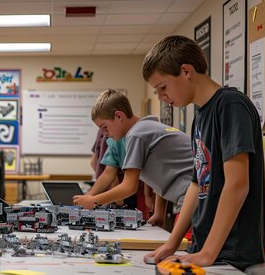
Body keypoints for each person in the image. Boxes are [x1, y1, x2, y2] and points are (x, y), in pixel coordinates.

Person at [142, 35, 265, 270]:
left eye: (163, 87)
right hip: (203, 250)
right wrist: (172, 243)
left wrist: (209, 252)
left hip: (231, 255)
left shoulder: (230, 106)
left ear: (186, 71)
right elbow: (197, 184)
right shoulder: (199, 116)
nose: (161, 97)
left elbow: (237, 184)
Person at [73, 89, 193, 227]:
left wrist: (94, 201)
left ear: (118, 116)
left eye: (105, 127)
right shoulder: (146, 127)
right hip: (192, 194)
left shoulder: (136, 134)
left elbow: (129, 186)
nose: (105, 134)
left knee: (187, 246)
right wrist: (159, 212)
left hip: (193, 196)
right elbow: (162, 177)